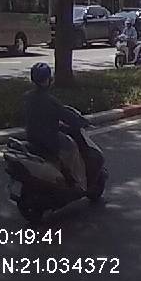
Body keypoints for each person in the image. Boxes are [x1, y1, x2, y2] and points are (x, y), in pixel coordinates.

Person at [24, 62, 90, 191]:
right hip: (49, 140)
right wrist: (82, 122)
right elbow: (66, 116)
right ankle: (79, 183)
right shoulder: (49, 100)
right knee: (72, 147)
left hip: (32, 137)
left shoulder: (27, 97)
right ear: (48, 80)